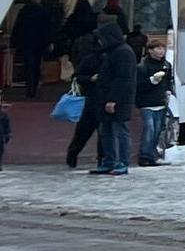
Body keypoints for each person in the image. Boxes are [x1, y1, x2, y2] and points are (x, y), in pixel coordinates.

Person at [92, 19, 137, 176]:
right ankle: (109, 160)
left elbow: (123, 78)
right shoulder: (113, 52)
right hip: (108, 97)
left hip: (118, 100)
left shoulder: (123, 52)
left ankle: (122, 162)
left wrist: (113, 99)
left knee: (119, 130)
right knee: (107, 131)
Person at [66, 28, 104, 169]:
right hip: (92, 99)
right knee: (84, 131)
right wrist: (90, 79)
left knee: (101, 132)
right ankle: (73, 152)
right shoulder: (91, 59)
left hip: (100, 99)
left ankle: (102, 159)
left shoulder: (111, 57)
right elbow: (77, 77)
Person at [135, 40, 177, 167]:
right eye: (157, 48)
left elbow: (169, 80)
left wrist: (169, 90)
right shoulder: (142, 67)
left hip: (161, 102)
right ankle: (144, 155)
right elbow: (137, 86)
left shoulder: (166, 65)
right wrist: (151, 81)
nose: (161, 51)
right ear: (150, 50)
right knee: (149, 129)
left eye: (162, 49)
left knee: (158, 130)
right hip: (147, 103)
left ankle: (152, 154)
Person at [9, 0, 56, 99]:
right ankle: (31, 87)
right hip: (31, 42)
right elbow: (18, 27)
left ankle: (32, 86)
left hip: (35, 42)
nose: (35, 0)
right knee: (31, 65)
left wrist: (50, 41)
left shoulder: (41, 12)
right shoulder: (27, 11)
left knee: (34, 65)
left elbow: (49, 28)